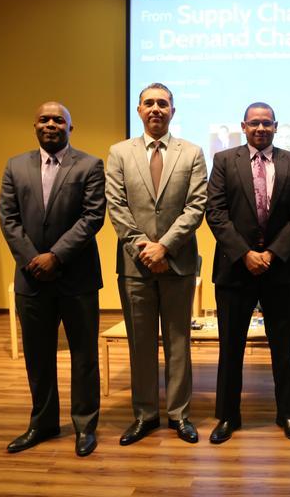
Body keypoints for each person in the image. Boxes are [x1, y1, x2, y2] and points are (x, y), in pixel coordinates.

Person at [0, 101, 105, 457]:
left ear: (70, 128)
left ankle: (85, 425)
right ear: (35, 126)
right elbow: (8, 218)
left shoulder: (89, 165)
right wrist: (33, 260)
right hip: (32, 279)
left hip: (77, 278)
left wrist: (55, 256)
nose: (50, 124)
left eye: (58, 120)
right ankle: (42, 423)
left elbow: (92, 217)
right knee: (38, 356)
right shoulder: (15, 166)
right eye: (44, 119)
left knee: (84, 356)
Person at [106, 83, 207, 445]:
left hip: (178, 264)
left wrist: (163, 247)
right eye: (148, 103)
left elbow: (196, 206)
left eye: (163, 104)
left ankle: (179, 415)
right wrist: (145, 249)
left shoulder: (192, 153)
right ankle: (145, 415)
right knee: (141, 345)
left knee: (179, 343)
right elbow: (116, 205)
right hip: (135, 267)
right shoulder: (119, 153)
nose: (156, 109)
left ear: (172, 111)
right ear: (139, 110)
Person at [205, 102, 290, 443]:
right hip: (235, 270)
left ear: (276, 126)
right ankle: (227, 416)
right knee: (231, 347)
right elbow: (215, 212)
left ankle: (288, 414)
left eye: (267, 123)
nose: (261, 128)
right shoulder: (224, 161)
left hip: (280, 269)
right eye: (254, 123)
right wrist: (245, 254)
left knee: (284, 348)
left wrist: (272, 253)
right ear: (243, 126)